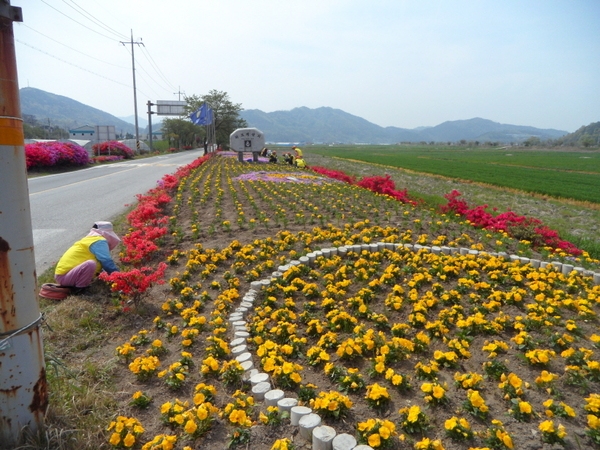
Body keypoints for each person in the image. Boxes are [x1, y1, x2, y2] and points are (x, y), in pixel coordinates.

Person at [54, 221, 120, 290]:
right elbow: (106, 261)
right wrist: (119, 276)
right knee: (90, 264)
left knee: (93, 263)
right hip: (65, 277)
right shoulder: (99, 241)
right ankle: (80, 288)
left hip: (64, 276)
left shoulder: (90, 240)